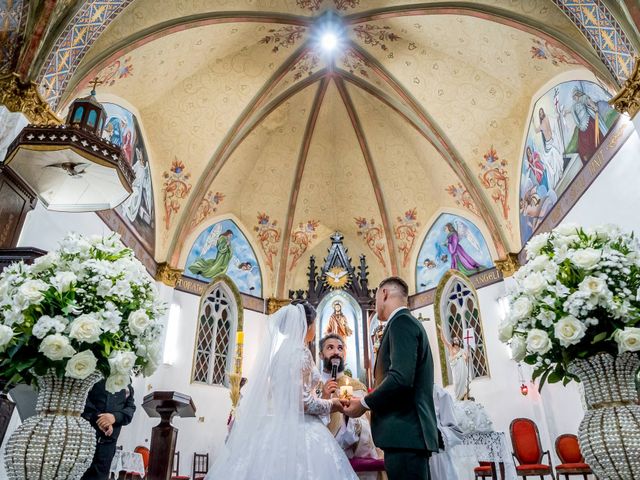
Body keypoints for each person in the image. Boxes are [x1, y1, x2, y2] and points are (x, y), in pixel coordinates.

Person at [205, 301, 358, 479]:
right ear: (307, 325)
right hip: (302, 430)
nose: (315, 329)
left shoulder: (279, 353)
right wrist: (333, 403)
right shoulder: (301, 352)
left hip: (278, 425)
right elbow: (303, 402)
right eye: (314, 324)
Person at [343, 277, 439, 480]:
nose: (375, 303)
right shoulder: (406, 323)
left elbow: (400, 378)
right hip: (407, 435)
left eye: (376, 296)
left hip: (405, 432)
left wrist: (363, 403)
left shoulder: (401, 323)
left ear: (384, 293)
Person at [318, 334, 379, 480]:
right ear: (321, 355)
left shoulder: (356, 386)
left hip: (354, 455)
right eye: (330, 347)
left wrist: (348, 415)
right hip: (321, 454)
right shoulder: (315, 385)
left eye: (340, 348)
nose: (336, 352)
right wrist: (325, 398)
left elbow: (366, 427)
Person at [81, 379, 136, 480]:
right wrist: (101, 419)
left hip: (108, 443)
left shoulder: (127, 381)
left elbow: (130, 409)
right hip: (86, 436)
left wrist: (114, 417)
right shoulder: (96, 373)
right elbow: (83, 399)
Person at [439, 325, 469, 401]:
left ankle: (464, 398)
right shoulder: (450, 348)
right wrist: (441, 330)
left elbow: (465, 361)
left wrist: (466, 356)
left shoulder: (462, 351)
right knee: (456, 383)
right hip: (455, 370)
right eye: (454, 340)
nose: (456, 341)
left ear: (459, 341)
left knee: (464, 385)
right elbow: (443, 340)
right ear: (453, 342)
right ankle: (458, 399)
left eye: (457, 340)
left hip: (462, 371)